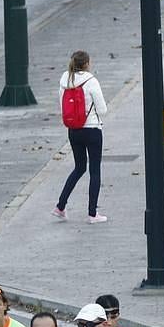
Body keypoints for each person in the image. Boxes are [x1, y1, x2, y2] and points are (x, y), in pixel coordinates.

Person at [54, 50, 110, 222]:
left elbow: (62, 105)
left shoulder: (65, 79)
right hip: (92, 130)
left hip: (73, 130)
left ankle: (60, 206)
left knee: (79, 167)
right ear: (86, 64)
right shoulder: (91, 81)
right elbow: (102, 110)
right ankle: (93, 214)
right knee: (94, 170)